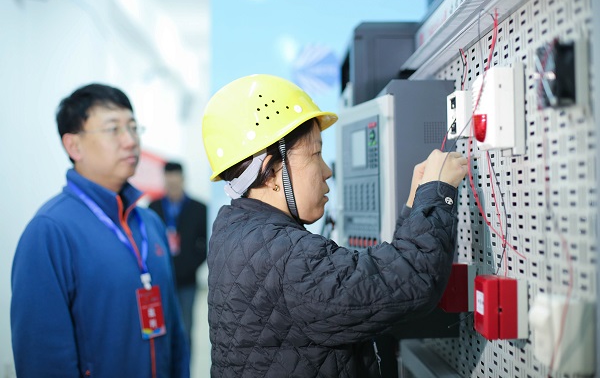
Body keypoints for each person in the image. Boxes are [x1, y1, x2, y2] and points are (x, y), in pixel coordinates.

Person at [201, 74, 468, 377]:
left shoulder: (235, 231)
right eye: (315, 153)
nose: (327, 171)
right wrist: (436, 192)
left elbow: (382, 279)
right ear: (271, 172)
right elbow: (414, 278)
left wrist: (412, 206)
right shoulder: (288, 256)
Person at [11, 83, 190, 378]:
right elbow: (41, 357)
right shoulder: (50, 231)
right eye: (113, 129)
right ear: (74, 146)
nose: (130, 141)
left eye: (133, 127)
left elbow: (175, 336)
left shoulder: (150, 223)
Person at [149, 161, 208, 347]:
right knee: (161, 329)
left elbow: (204, 245)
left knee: (185, 329)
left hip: (187, 281)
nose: (172, 184)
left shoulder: (199, 209)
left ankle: (185, 364)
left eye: (175, 180)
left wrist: (188, 267)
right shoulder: (154, 208)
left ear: (182, 179)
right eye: (169, 181)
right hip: (161, 280)